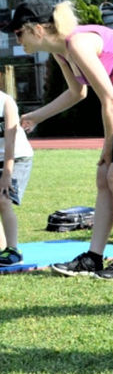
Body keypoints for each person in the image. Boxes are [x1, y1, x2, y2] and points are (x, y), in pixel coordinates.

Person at [10, 0, 113, 279]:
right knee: (104, 177)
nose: (17, 39)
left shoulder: (77, 43)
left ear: (37, 29)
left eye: (18, 33)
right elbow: (77, 93)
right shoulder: (62, 52)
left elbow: (109, 99)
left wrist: (108, 147)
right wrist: (36, 116)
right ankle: (93, 257)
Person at [0, 86, 34, 266]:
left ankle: (13, 250)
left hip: (17, 157)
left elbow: (10, 142)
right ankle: (2, 249)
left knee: (3, 200)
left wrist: (7, 174)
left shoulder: (6, 102)